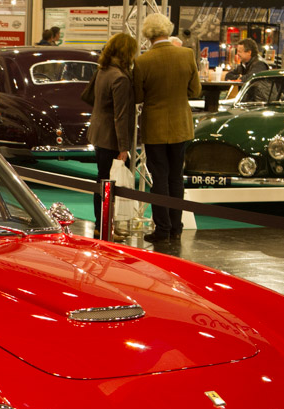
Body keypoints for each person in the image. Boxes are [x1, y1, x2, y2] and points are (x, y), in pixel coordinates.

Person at [133, 13, 201, 243]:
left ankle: (162, 228)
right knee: (176, 178)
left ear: (147, 35)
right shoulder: (187, 54)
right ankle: (177, 228)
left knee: (159, 178)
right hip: (181, 125)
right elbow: (195, 91)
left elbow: (138, 96)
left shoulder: (142, 61)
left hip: (155, 128)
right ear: (168, 29)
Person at [88, 33, 137, 237]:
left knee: (102, 181)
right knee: (108, 184)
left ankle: (102, 226)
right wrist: (124, 147)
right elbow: (121, 115)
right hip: (111, 139)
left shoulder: (103, 71)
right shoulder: (120, 77)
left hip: (99, 134)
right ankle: (105, 228)